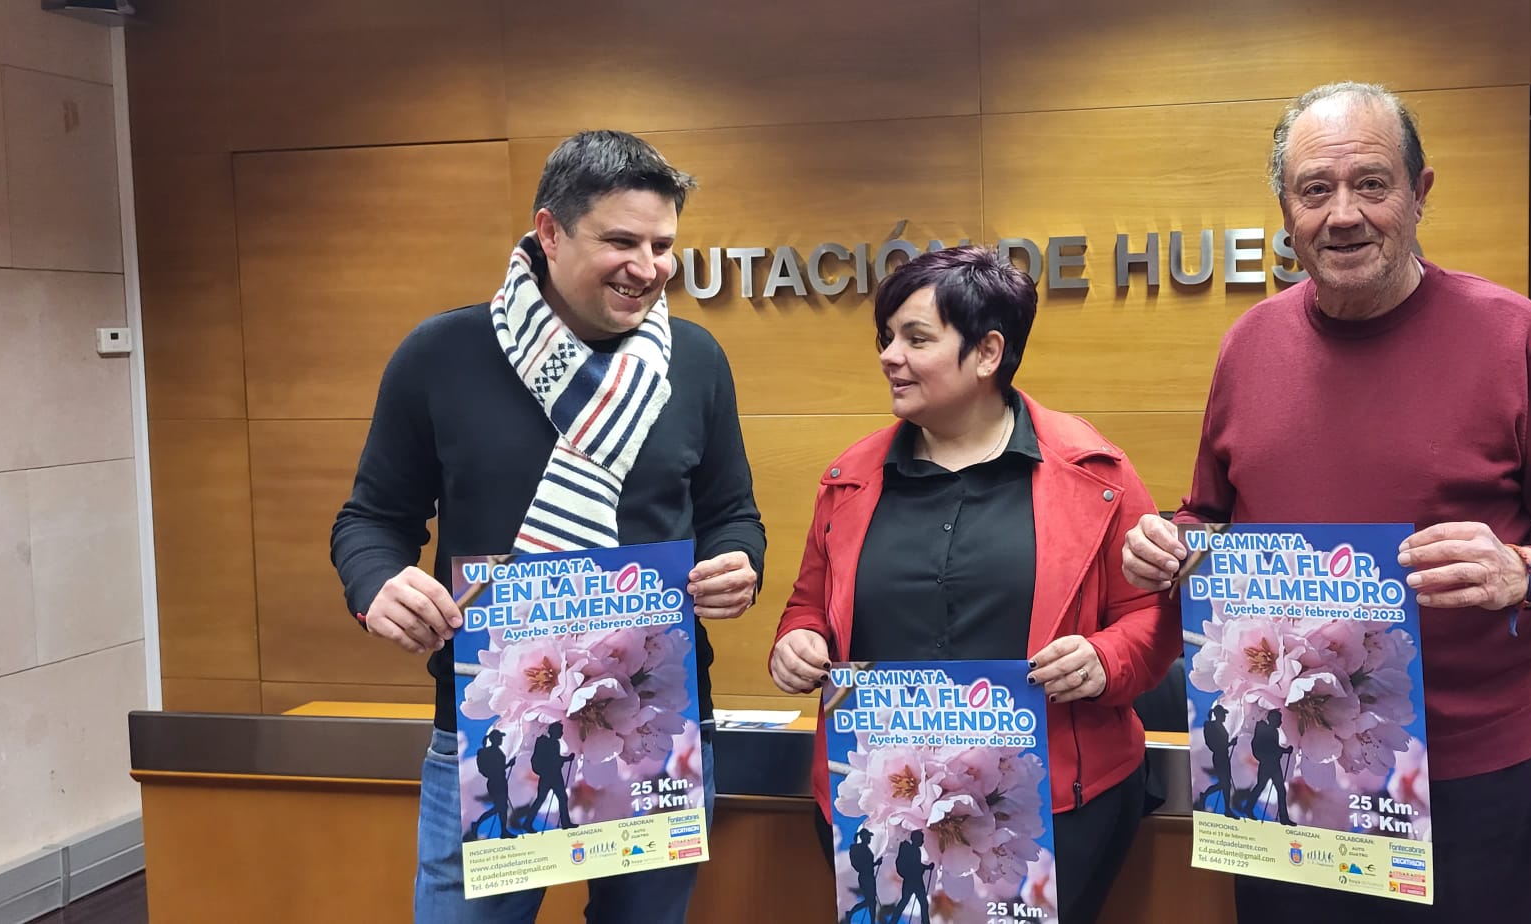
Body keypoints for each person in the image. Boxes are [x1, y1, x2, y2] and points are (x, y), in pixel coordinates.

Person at [1122, 82, 1531, 923]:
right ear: (1285, 208)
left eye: (1372, 184)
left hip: (1468, 777)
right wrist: (1169, 546)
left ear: (1420, 193)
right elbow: (1209, 521)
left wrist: (1526, 569)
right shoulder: (1248, 346)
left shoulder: (1515, 337)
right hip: (1287, 772)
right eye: (1315, 190)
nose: (1343, 215)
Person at [329, 130, 765, 924]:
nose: (650, 267)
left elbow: (731, 511)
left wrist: (738, 559)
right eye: (622, 241)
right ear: (550, 231)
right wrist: (377, 584)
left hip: (652, 724)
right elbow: (371, 520)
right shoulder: (441, 355)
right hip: (490, 730)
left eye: (664, 245)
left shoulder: (694, 361)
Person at [769, 246, 1179, 924]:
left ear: (988, 352)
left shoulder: (1096, 473)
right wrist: (798, 640)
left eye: (916, 338)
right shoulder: (848, 478)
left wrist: (1103, 660)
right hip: (882, 800)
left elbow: (1153, 617)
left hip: (1049, 807)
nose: (888, 356)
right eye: (886, 337)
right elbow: (810, 603)